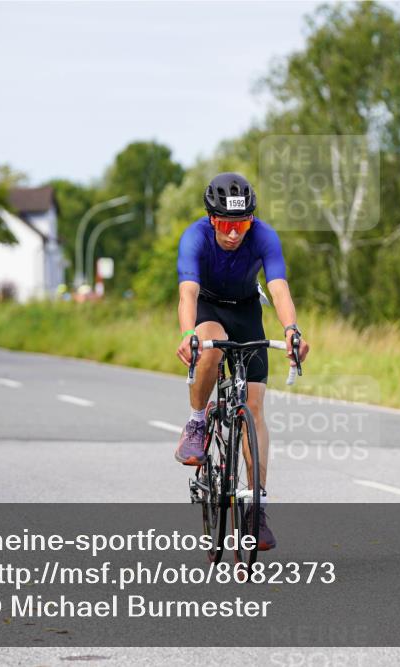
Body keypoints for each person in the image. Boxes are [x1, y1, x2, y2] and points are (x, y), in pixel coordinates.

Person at [174, 172, 310, 551]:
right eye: (225, 225)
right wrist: (188, 334)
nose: (234, 234)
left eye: (242, 224)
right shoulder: (195, 237)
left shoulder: (264, 236)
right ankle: (197, 422)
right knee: (211, 347)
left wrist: (291, 330)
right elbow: (188, 293)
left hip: (248, 311)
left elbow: (279, 287)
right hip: (209, 307)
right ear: (211, 219)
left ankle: (256, 508)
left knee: (254, 406)